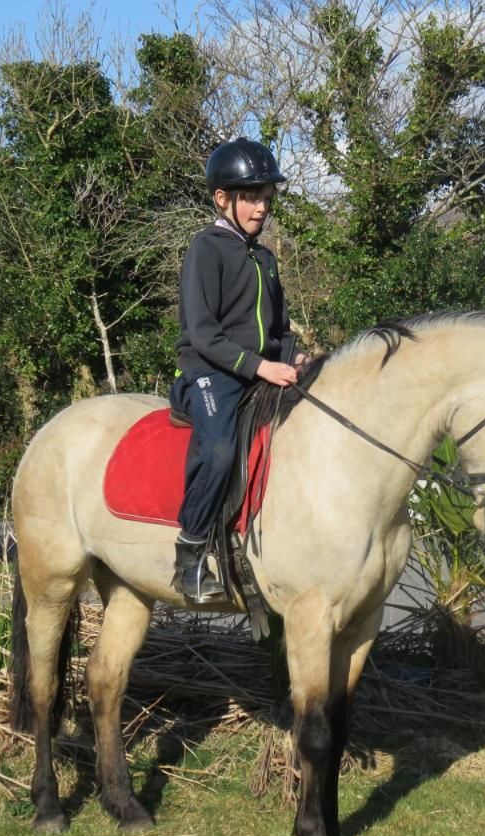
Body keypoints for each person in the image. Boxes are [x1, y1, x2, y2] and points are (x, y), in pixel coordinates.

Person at [168, 138, 301, 603]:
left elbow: (280, 327)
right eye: (250, 197)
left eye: (265, 197)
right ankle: (189, 555)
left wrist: (295, 355)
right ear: (222, 199)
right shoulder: (206, 249)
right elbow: (203, 333)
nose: (260, 207)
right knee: (222, 449)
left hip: (260, 370)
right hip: (211, 374)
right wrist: (260, 365)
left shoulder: (264, 258)